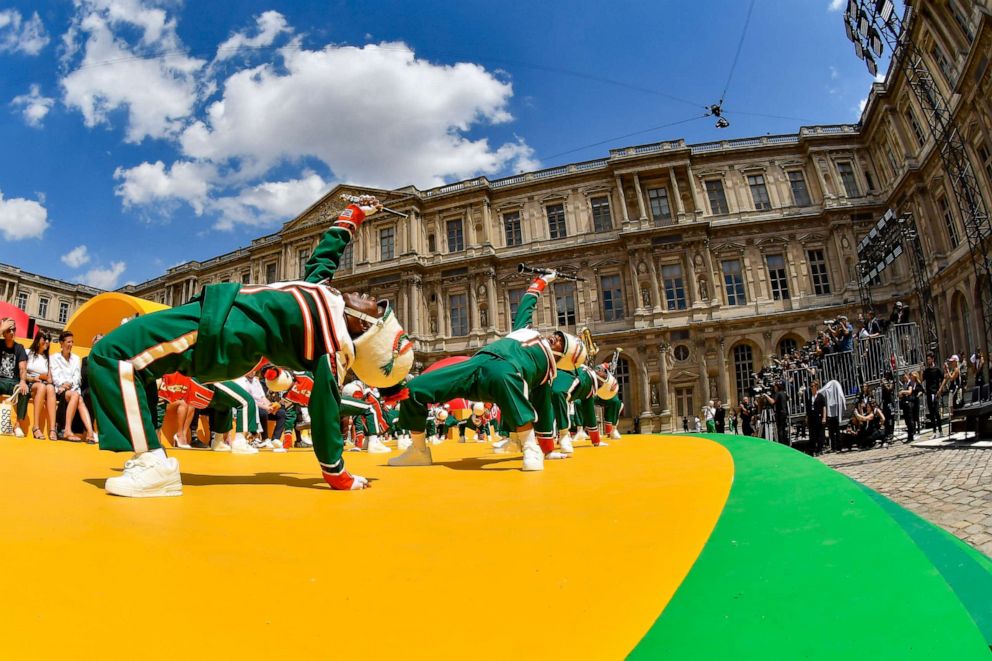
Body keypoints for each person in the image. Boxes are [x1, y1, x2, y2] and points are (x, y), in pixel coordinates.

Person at [89, 195, 414, 497]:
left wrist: (337, 473)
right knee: (135, 365)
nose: (376, 299)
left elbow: (325, 408)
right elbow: (325, 256)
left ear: (366, 328)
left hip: (223, 333)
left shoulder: (332, 346)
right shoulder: (324, 294)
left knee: (113, 354)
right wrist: (354, 214)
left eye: (380, 310)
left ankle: (153, 464)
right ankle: (149, 456)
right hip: (217, 313)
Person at [391, 268, 586, 471]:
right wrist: (542, 280)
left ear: (562, 356)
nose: (555, 337)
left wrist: (548, 450)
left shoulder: (547, 372)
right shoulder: (525, 330)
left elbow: (544, 409)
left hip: (505, 372)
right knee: (412, 389)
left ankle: (530, 449)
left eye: (560, 343)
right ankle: (419, 450)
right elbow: (527, 305)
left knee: (504, 376)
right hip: (476, 365)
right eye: (558, 335)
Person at [51, 331, 96, 443]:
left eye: (72, 342)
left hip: (73, 390)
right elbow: (56, 378)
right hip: (61, 390)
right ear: (61, 343)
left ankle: (90, 433)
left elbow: (77, 378)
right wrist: (64, 384)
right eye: (68, 342)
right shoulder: (54, 358)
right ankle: (68, 429)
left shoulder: (76, 359)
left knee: (78, 398)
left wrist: (69, 384)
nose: (71, 344)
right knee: (76, 396)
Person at [0, 317, 30, 437]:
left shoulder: (19, 348)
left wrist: (23, 381)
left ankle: (17, 426)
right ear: (4, 332)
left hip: (13, 382)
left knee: (24, 391)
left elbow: (23, 367)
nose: (12, 332)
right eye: (9, 330)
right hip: (0, 381)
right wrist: (2, 328)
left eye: (14, 329)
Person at [25, 331, 57, 440]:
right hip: (30, 383)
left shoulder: (48, 358)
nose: (47, 342)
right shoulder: (28, 353)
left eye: (49, 340)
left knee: (51, 388)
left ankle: (52, 429)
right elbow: (22, 374)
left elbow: (50, 378)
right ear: (38, 340)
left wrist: (46, 378)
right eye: (45, 339)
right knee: (42, 387)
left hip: (42, 384)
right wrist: (33, 378)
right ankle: (36, 427)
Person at [922, 353, 944, 436]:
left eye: (929, 359)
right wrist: (921, 370)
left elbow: (943, 378)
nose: (928, 361)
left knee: (936, 412)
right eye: (927, 359)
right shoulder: (926, 371)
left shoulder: (937, 369)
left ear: (933, 359)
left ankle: (940, 430)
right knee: (931, 413)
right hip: (929, 393)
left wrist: (940, 389)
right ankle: (934, 431)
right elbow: (922, 379)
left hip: (935, 392)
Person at [899, 371, 923, 444]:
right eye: (903, 378)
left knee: (911, 420)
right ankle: (910, 435)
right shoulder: (905, 384)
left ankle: (912, 435)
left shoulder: (911, 383)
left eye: (905, 376)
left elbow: (909, 392)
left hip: (911, 403)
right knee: (908, 421)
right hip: (906, 404)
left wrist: (902, 392)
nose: (904, 378)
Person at [809, 380, 826, 455]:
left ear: (816, 387)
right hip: (812, 417)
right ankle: (813, 449)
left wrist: (824, 417)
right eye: (811, 386)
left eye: (813, 386)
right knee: (813, 434)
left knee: (820, 434)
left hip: (819, 416)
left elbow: (824, 407)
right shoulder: (810, 397)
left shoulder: (820, 396)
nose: (812, 387)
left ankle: (820, 449)